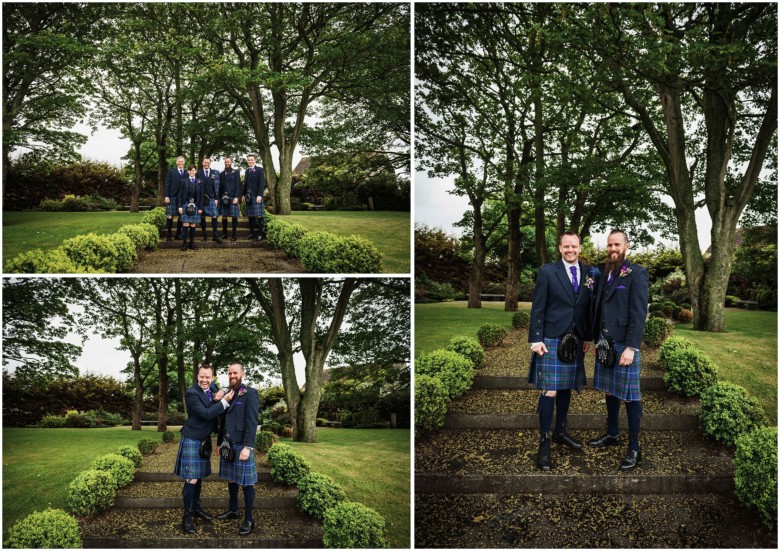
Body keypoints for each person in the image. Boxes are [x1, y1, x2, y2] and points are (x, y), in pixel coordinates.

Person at [528, 232, 597, 471]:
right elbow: (538, 307)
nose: (570, 250)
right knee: (550, 390)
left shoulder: (589, 273)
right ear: (560, 248)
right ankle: (544, 442)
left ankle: (560, 431)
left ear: (580, 248)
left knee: (567, 387)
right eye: (566, 246)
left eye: (574, 246)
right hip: (551, 338)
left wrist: (588, 336)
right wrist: (535, 340)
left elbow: (587, 307)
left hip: (576, 340)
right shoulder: (548, 271)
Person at [588, 229, 649, 471]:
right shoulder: (606, 273)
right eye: (610, 245)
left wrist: (632, 347)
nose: (613, 249)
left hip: (625, 345)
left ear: (626, 246)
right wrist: (596, 340)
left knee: (631, 397)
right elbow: (600, 308)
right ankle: (613, 433)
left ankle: (635, 447)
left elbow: (638, 313)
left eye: (617, 245)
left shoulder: (637, 274)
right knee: (610, 392)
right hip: (606, 343)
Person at [174, 364, 235, 534]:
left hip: (204, 439)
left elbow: (224, 388)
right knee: (191, 478)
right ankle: (186, 516)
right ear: (197, 376)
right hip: (192, 438)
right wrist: (224, 401)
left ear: (212, 377)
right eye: (201, 377)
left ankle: (196, 508)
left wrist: (222, 390)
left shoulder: (213, 387)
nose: (204, 380)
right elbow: (206, 414)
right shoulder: (191, 393)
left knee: (199, 477)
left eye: (208, 377)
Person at [216, 362, 259, 535]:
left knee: (247, 483)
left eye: (235, 373)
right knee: (231, 479)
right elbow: (223, 421)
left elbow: (252, 421)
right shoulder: (227, 393)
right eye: (230, 373)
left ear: (242, 373)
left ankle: (249, 519)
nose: (232, 376)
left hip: (242, 445)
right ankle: (233, 510)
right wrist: (219, 443)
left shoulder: (250, 393)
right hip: (227, 444)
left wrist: (248, 447)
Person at [177, 165, 205, 252]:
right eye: (190, 170)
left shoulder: (200, 182)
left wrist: (200, 208)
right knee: (185, 223)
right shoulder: (183, 181)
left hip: (196, 205)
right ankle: (184, 244)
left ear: (195, 171)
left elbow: (201, 196)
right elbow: (180, 195)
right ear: (188, 171)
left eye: (193, 170)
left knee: (193, 224)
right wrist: (180, 206)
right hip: (185, 204)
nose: (192, 172)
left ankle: (192, 243)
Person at [197, 157, 222, 243]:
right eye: (205, 162)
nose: (207, 164)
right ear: (202, 163)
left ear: (210, 163)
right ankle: (204, 235)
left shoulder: (214, 173)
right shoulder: (198, 172)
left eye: (208, 163)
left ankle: (215, 235)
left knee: (214, 216)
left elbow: (217, 186)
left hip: (211, 198)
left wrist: (216, 198)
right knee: (202, 216)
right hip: (201, 197)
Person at [242, 154, 266, 241]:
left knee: (259, 215)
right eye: (248, 160)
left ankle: (260, 234)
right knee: (251, 216)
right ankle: (251, 233)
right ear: (247, 161)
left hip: (256, 196)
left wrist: (260, 195)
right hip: (249, 197)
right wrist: (243, 195)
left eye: (252, 160)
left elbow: (262, 183)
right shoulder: (247, 171)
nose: (250, 161)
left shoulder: (259, 170)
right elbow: (245, 184)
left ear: (255, 160)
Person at [164, 156, 186, 241]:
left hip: (182, 198)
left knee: (181, 216)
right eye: (179, 161)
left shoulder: (186, 173)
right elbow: (167, 184)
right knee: (170, 216)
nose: (180, 163)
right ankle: (169, 235)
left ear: (184, 163)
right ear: (177, 162)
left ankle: (178, 234)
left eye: (182, 161)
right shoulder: (171, 172)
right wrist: (166, 196)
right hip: (172, 196)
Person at [219, 156, 242, 241]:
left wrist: (237, 197)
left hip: (232, 197)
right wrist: (219, 198)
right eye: (225, 162)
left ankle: (234, 234)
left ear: (231, 162)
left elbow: (238, 185)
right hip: (223, 197)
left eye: (228, 162)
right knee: (224, 216)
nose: (227, 163)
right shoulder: (221, 174)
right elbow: (220, 187)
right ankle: (224, 234)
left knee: (234, 216)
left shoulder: (236, 172)